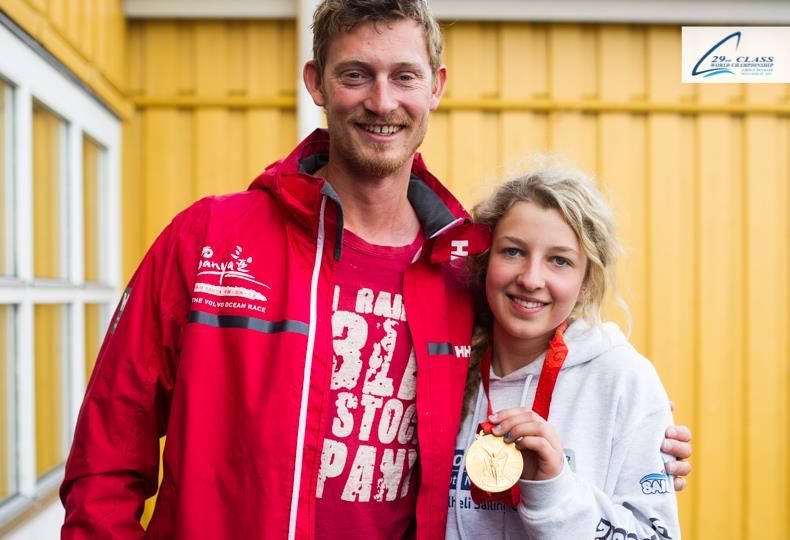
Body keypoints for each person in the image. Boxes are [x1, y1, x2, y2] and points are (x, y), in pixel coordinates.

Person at [60, 1, 691, 538]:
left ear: (435, 86)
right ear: (317, 82)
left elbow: (545, 344)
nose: (381, 101)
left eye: (404, 76)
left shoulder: (462, 264)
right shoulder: (208, 239)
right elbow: (107, 456)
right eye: (356, 75)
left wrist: (638, 439)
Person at [446, 162, 681, 539]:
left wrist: (555, 489)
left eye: (560, 260)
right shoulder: (443, 367)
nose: (531, 278)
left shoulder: (623, 380)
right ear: (484, 260)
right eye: (512, 251)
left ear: (586, 283)